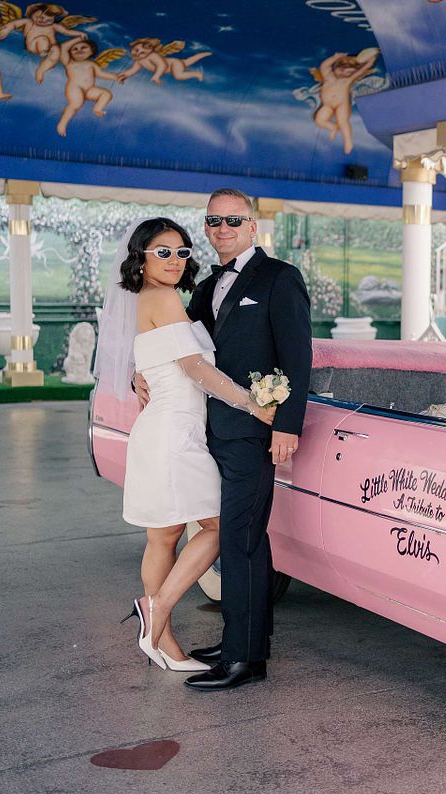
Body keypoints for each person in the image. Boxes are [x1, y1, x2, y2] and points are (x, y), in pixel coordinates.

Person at [137, 188, 312, 692]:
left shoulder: (280, 277)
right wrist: (138, 373)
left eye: (234, 220)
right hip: (207, 430)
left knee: (239, 538)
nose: (223, 229)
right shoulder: (205, 286)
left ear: (253, 226)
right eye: (214, 221)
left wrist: (287, 425)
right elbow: (177, 348)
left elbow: (298, 355)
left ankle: (244, 658)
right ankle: (246, 638)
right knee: (240, 537)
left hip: (254, 432)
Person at [95, 217, 275, 673]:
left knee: (164, 536)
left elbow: (158, 358)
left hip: (165, 428)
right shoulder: (162, 297)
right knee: (216, 526)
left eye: (181, 252)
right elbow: (195, 368)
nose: (175, 260)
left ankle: (163, 642)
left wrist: (139, 373)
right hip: (174, 432)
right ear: (140, 258)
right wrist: (252, 403)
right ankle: (155, 610)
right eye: (163, 252)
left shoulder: (152, 298)